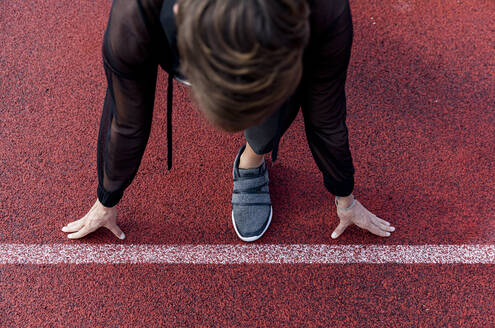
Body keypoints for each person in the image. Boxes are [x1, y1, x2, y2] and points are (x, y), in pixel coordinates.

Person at [62, 0, 395, 241]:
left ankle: (252, 159)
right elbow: (127, 120)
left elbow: (326, 116)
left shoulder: (325, 13)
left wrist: (344, 195)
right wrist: (107, 197)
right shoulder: (134, 19)